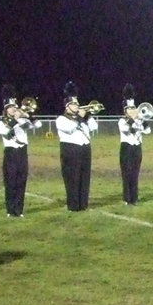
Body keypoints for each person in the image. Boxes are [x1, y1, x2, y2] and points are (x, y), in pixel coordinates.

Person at [55, 82, 97, 212]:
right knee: (72, 177)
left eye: (77, 103)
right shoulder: (61, 119)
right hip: (70, 150)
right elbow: (69, 129)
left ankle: (83, 204)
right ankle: (73, 205)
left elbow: (94, 127)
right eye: (74, 104)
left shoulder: (82, 119)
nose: (77, 105)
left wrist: (88, 116)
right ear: (67, 107)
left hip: (85, 149)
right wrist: (79, 116)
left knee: (85, 177)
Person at [0, 93, 39, 217]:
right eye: (10, 107)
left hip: (22, 152)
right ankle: (10, 209)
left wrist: (28, 115)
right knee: (10, 182)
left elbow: (38, 125)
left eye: (14, 107)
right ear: (5, 109)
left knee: (21, 180)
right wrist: (15, 119)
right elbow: (6, 133)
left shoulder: (22, 120)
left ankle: (19, 210)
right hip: (10, 153)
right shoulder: (1, 123)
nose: (14, 109)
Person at [117, 85, 150, 205]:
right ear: (125, 111)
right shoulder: (122, 121)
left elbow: (148, 131)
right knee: (127, 174)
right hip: (126, 149)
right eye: (130, 109)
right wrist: (136, 119)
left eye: (134, 108)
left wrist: (142, 120)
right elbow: (127, 129)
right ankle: (127, 198)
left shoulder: (139, 120)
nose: (133, 110)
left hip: (137, 148)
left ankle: (134, 198)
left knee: (135, 173)